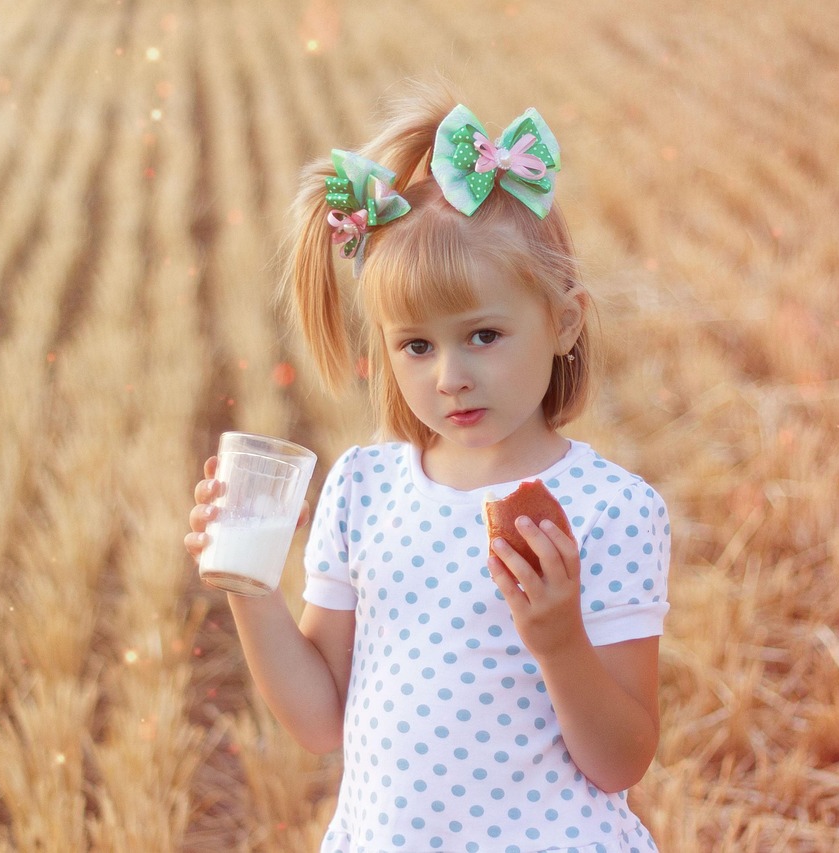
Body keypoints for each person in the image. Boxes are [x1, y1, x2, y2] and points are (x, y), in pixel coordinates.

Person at [186, 83, 670, 853]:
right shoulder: (365, 488)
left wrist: (558, 641)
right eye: (417, 345)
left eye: (482, 334)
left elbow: (619, 761)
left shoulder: (608, 509)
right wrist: (248, 588)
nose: (449, 375)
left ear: (564, 322)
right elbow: (319, 721)